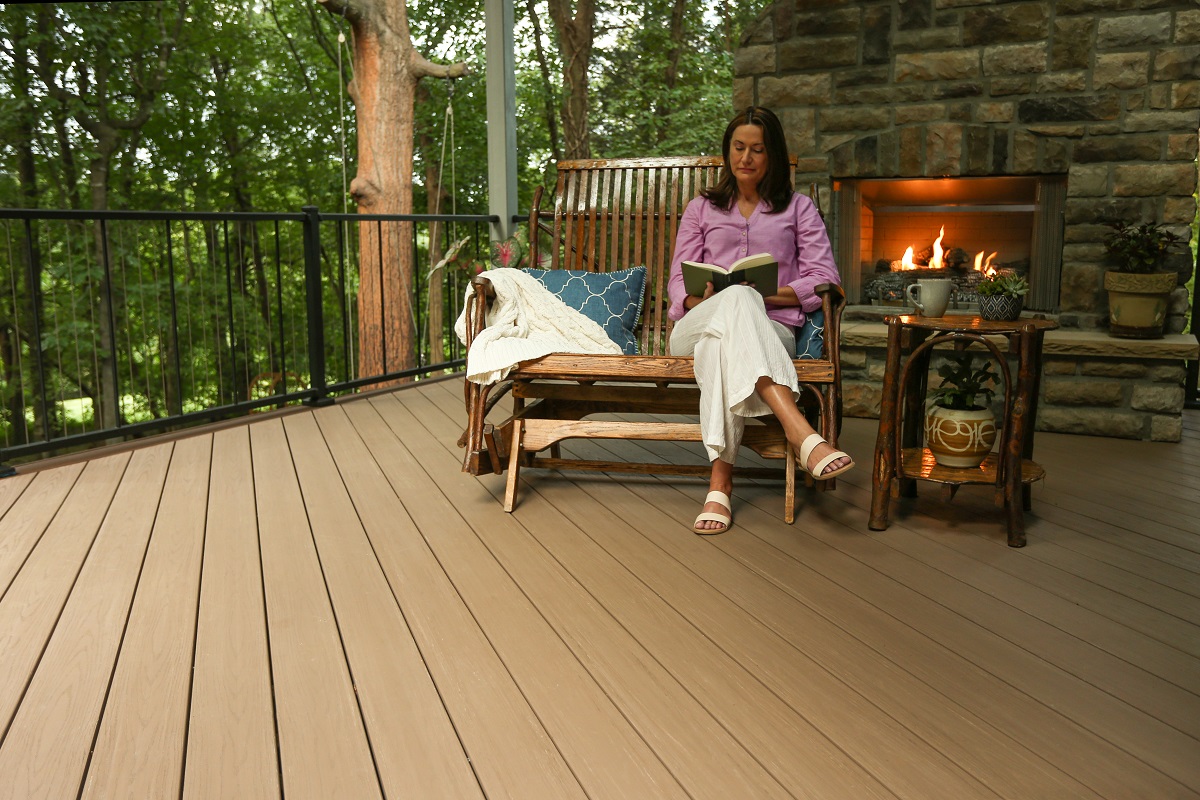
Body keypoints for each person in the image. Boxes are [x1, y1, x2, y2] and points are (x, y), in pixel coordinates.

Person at [667, 106, 853, 534]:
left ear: (772, 155)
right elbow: (678, 279)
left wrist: (765, 294)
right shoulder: (701, 208)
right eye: (738, 147)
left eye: (757, 149)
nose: (745, 157)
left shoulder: (799, 208)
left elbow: (826, 278)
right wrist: (706, 297)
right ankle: (800, 431)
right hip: (696, 325)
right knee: (732, 302)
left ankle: (719, 485)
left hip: (771, 330)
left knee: (725, 338)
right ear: (727, 151)